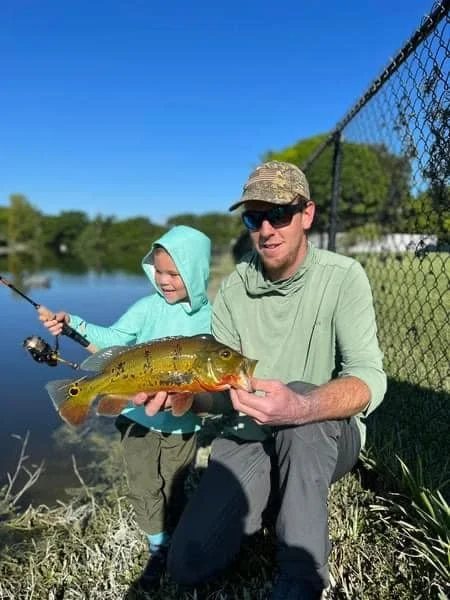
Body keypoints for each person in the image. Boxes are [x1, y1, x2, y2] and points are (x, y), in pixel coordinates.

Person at [133, 161, 387, 599]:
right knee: (190, 561)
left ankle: (301, 577)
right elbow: (221, 395)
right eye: (254, 217)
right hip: (248, 436)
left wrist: (303, 407)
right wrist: (188, 399)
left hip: (322, 435)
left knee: (303, 403)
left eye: (280, 215)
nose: (266, 229)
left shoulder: (344, 277)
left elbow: (369, 377)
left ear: (307, 215)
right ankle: (276, 495)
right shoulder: (233, 289)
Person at [38, 225, 212, 591]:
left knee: (176, 483)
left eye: (173, 273)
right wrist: (73, 325)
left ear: (196, 272)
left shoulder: (212, 316)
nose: (163, 280)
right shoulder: (146, 308)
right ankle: (156, 547)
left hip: (185, 423)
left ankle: (175, 534)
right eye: (158, 271)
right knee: (144, 482)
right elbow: (112, 342)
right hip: (137, 417)